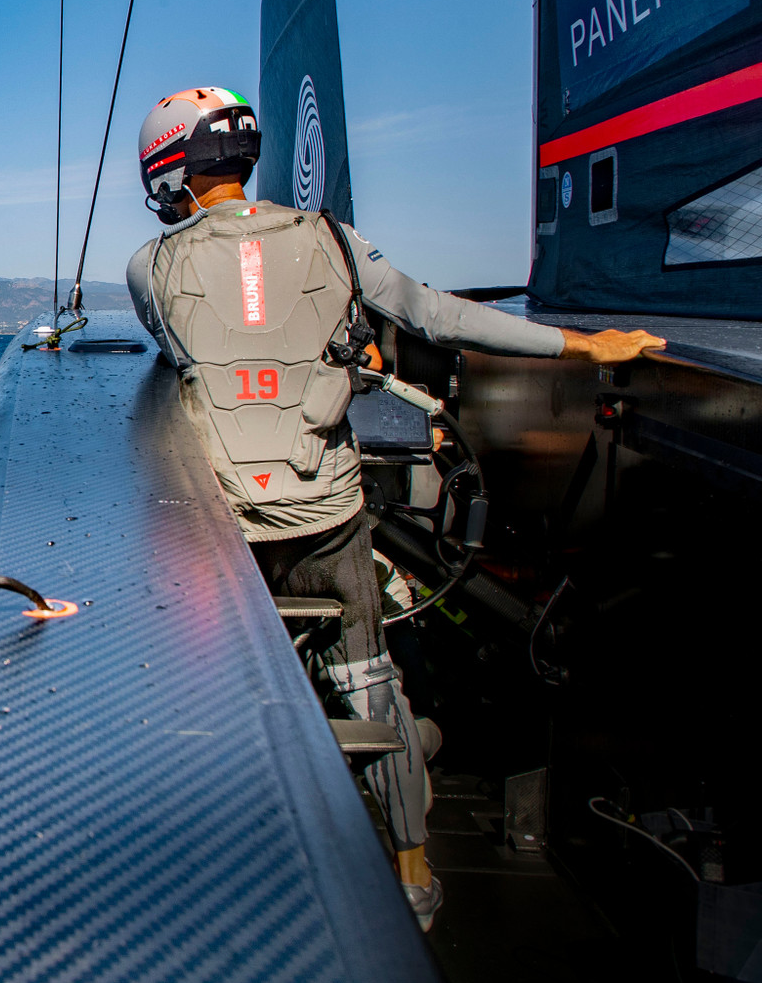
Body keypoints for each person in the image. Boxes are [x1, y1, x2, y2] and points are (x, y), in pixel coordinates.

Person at [123, 87, 663, 932]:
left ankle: (229, 873)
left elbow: (200, 345)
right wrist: (583, 345)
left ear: (170, 171)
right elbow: (441, 316)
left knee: (214, 691)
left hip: (225, 532)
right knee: (372, 690)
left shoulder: (145, 269)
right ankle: (414, 877)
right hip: (329, 518)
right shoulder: (334, 241)